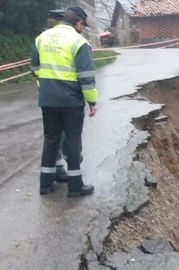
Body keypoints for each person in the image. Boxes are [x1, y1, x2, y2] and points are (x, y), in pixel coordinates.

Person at [31, 6, 97, 197]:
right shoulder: (79, 42)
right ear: (78, 22)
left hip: (47, 99)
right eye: (83, 25)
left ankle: (45, 184)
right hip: (71, 102)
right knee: (72, 140)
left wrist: (43, 86)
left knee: (51, 139)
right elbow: (86, 77)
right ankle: (75, 186)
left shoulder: (42, 38)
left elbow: (34, 67)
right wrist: (92, 102)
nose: (83, 28)